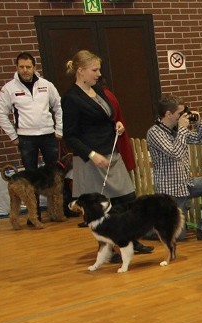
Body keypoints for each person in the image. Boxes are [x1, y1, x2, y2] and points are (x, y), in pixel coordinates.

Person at [61, 49, 152, 255]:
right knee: (99, 209)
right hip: (92, 160)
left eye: (98, 69)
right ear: (80, 71)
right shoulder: (71, 99)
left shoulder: (98, 90)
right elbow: (70, 136)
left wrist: (117, 124)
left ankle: (131, 242)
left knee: (128, 199)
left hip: (112, 154)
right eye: (94, 70)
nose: (98, 74)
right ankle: (107, 250)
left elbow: (107, 117)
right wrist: (91, 154)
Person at [146, 94, 202, 241]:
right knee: (179, 237)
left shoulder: (177, 130)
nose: (183, 116)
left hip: (187, 183)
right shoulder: (155, 132)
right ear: (168, 114)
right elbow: (175, 153)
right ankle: (152, 227)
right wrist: (183, 129)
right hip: (171, 191)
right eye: (180, 113)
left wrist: (198, 123)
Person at [0, 52, 63, 174]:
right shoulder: (9, 88)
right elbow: (0, 113)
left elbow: (58, 107)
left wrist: (59, 129)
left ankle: (53, 194)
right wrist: (13, 135)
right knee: (31, 175)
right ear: (17, 68)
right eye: (21, 67)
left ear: (34, 67)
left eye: (28, 67)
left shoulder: (47, 85)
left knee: (54, 173)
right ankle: (33, 194)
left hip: (48, 135)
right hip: (26, 139)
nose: (25, 70)